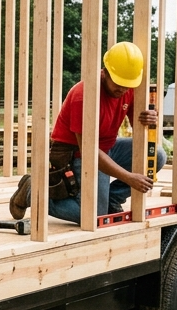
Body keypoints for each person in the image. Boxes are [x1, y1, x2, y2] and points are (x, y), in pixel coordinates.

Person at [9, 42, 164, 224]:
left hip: (106, 147)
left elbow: (140, 122)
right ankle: (31, 191)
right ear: (105, 72)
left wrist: (150, 117)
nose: (122, 89)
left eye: (127, 84)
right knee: (92, 215)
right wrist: (129, 178)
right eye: (118, 83)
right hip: (75, 152)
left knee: (157, 155)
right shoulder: (84, 96)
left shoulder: (127, 88)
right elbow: (89, 151)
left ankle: (111, 200)